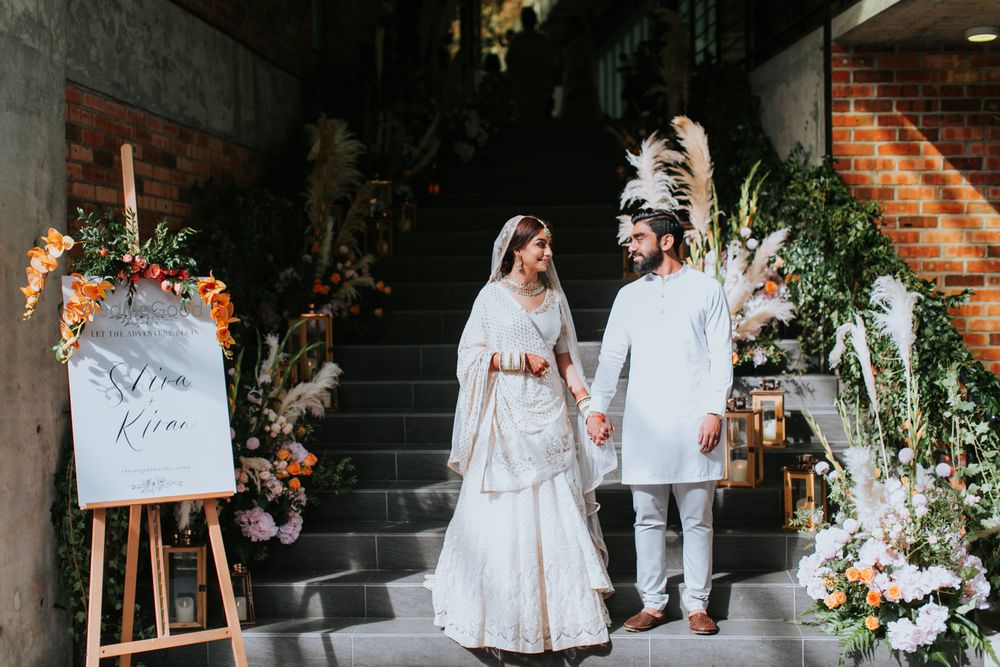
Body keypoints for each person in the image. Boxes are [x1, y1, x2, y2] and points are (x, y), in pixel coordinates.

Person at [426, 215, 617, 653]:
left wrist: (588, 409)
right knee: (503, 513)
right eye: (540, 246)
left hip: (551, 418)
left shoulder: (554, 299)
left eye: (549, 245)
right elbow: (468, 358)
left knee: (556, 512)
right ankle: (501, 617)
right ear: (517, 250)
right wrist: (515, 360)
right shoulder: (491, 297)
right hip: (506, 419)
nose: (548, 253)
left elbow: (566, 359)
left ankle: (561, 619)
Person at [586, 209, 733, 635]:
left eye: (637, 238)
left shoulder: (707, 289)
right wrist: (597, 407)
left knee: (697, 518)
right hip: (645, 423)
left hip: (695, 422)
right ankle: (652, 603)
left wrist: (714, 411)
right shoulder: (629, 297)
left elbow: (721, 355)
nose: (631, 247)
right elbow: (612, 357)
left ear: (666, 242)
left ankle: (697, 605)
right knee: (646, 518)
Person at [505, 7, 556, 122]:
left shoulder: (518, 40)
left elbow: (510, 61)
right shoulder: (541, 40)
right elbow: (551, 62)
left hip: (526, 85)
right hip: (535, 84)